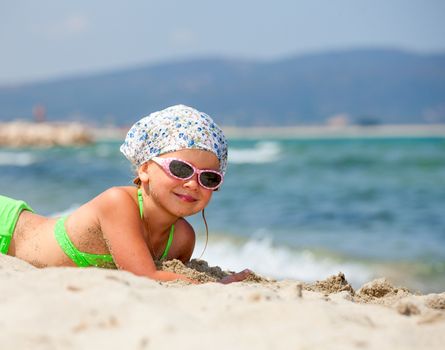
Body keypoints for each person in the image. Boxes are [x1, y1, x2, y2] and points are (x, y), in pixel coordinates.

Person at [0, 104, 250, 284]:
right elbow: (147, 277)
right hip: (7, 227)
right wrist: (216, 285)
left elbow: (172, 277)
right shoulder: (117, 203)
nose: (193, 184)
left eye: (208, 177)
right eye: (180, 169)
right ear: (144, 169)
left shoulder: (183, 238)